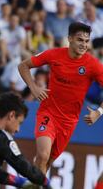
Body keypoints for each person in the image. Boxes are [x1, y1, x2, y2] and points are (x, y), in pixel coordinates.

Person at [18, 22, 103, 175]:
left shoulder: (93, 65)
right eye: (79, 40)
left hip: (69, 121)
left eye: (86, 41)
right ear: (69, 38)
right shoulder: (53, 54)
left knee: (48, 161)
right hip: (48, 113)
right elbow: (23, 66)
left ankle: (33, 184)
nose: (83, 44)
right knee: (43, 155)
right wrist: (34, 87)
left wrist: (99, 111)